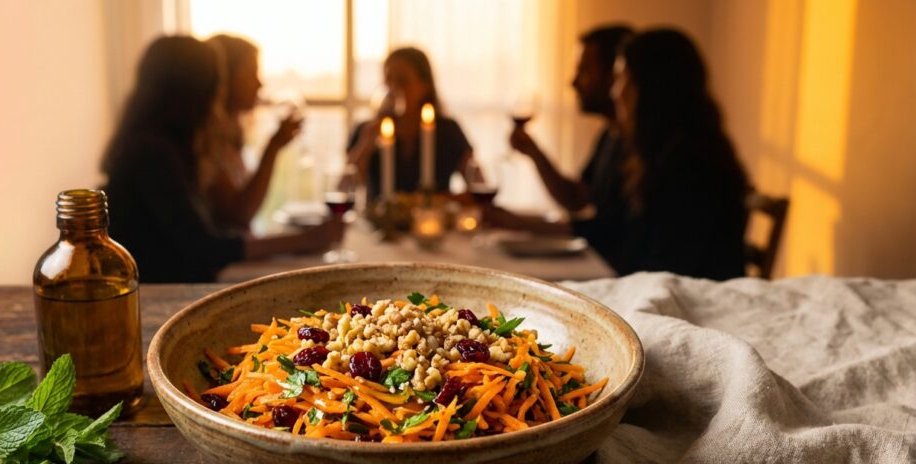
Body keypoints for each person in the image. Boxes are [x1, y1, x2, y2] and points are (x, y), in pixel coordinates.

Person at [102, 36, 335, 283]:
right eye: (215, 88)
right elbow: (205, 247)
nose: (217, 101)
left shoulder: (158, 148)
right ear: (193, 93)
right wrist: (304, 240)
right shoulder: (151, 156)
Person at [489, 25, 634, 270]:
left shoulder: (644, 150)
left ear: (613, 75)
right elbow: (576, 199)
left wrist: (520, 223)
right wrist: (535, 153)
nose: (573, 82)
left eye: (584, 71)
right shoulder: (610, 136)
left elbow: (610, 230)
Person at [612, 28, 748, 279]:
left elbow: (668, 269)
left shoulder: (692, 166)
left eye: (626, 80)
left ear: (655, 90)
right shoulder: (666, 152)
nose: (616, 92)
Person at [200, 34, 302, 231]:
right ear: (225, 79)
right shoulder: (206, 142)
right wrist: (273, 147)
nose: (259, 84)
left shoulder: (230, 135)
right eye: (251, 74)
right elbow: (240, 214)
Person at [346, 47, 473, 202]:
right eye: (388, 80)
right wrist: (365, 147)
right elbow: (344, 190)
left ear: (425, 85)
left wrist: (433, 201)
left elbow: (478, 187)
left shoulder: (448, 131)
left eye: (402, 81)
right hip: (379, 225)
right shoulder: (366, 131)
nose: (393, 88)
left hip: (434, 224)